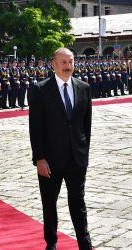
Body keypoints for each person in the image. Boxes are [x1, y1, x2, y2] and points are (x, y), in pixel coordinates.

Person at [29, 48, 92, 250]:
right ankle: (52, 243)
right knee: (49, 204)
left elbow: (86, 125)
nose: (68, 66)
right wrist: (39, 158)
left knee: (78, 203)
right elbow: (35, 127)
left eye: (71, 61)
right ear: (54, 65)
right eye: (63, 62)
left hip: (76, 159)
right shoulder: (40, 89)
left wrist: (84, 154)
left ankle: (84, 242)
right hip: (50, 160)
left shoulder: (83, 88)